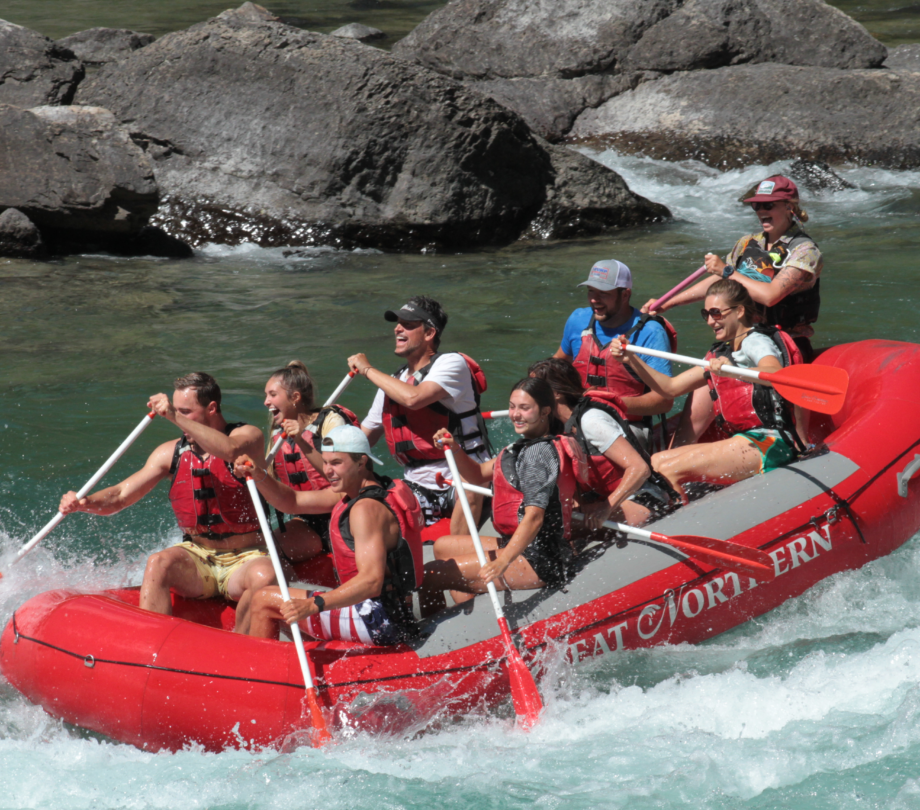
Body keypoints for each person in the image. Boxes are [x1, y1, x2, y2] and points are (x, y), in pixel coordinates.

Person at [58, 373, 277, 627]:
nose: (179, 420)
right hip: (199, 556)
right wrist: (84, 503)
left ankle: (244, 649)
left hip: (247, 557)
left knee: (265, 576)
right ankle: (151, 644)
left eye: (186, 412)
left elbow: (229, 451)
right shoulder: (169, 452)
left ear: (212, 408)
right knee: (158, 563)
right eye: (177, 411)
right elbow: (120, 495)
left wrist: (173, 415)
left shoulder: (248, 436)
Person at [642, 175, 822, 444]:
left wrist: (727, 270)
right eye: (757, 206)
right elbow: (719, 283)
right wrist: (668, 303)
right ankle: (671, 465)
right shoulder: (746, 243)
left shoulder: (805, 251)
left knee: (796, 435)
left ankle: (800, 445)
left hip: (784, 346)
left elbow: (770, 295)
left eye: (769, 205)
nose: (762, 211)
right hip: (739, 340)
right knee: (690, 418)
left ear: (789, 206)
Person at [611, 279, 802, 503]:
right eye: (707, 314)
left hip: (771, 444)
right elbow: (670, 388)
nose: (711, 321)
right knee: (656, 462)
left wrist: (733, 371)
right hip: (745, 440)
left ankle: (675, 521)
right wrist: (631, 359)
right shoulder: (721, 352)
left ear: (739, 311)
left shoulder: (755, 341)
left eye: (717, 313)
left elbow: (774, 372)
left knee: (669, 469)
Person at [236, 425, 424, 645]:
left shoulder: (366, 510)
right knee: (265, 596)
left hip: (378, 619)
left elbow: (372, 582)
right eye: (325, 462)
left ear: (361, 462)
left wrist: (314, 604)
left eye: (336, 463)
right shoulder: (365, 490)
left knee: (263, 600)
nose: (327, 471)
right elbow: (292, 501)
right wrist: (259, 475)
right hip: (389, 611)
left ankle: (256, 673)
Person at [418, 378, 586, 616]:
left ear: (545, 411)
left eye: (524, 408)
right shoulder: (520, 447)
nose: (515, 414)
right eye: (512, 406)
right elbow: (476, 475)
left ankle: (441, 636)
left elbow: (535, 517)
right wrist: (454, 448)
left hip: (541, 558)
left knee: (429, 576)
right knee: (444, 546)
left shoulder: (537, 455)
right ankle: (470, 616)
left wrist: (502, 561)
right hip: (521, 544)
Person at [348, 295, 492, 534]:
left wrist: (367, 369)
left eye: (408, 324)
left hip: (462, 476)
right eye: (397, 323)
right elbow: (363, 440)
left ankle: (458, 555)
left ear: (429, 333)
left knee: (469, 488)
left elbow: (413, 399)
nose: (397, 328)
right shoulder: (393, 382)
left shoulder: (451, 363)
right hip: (417, 484)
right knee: (371, 506)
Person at [527, 357, 663, 531]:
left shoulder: (591, 420)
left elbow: (639, 468)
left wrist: (606, 508)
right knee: (551, 516)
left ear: (556, 393)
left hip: (640, 501)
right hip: (608, 500)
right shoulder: (560, 427)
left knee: (552, 524)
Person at [554, 259, 675, 447]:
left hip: (627, 426)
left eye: (603, 293)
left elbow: (664, 401)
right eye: (590, 291)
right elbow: (556, 366)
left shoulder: (650, 333)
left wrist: (611, 403)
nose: (594, 299)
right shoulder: (578, 319)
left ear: (625, 294)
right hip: (576, 419)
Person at [264, 360, 358, 562]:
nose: (266, 401)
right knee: (267, 551)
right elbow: (270, 478)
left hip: (343, 509)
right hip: (306, 518)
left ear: (295, 397)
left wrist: (301, 441)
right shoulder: (277, 432)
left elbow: (342, 475)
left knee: (291, 504)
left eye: (272, 395)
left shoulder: (330, 421)